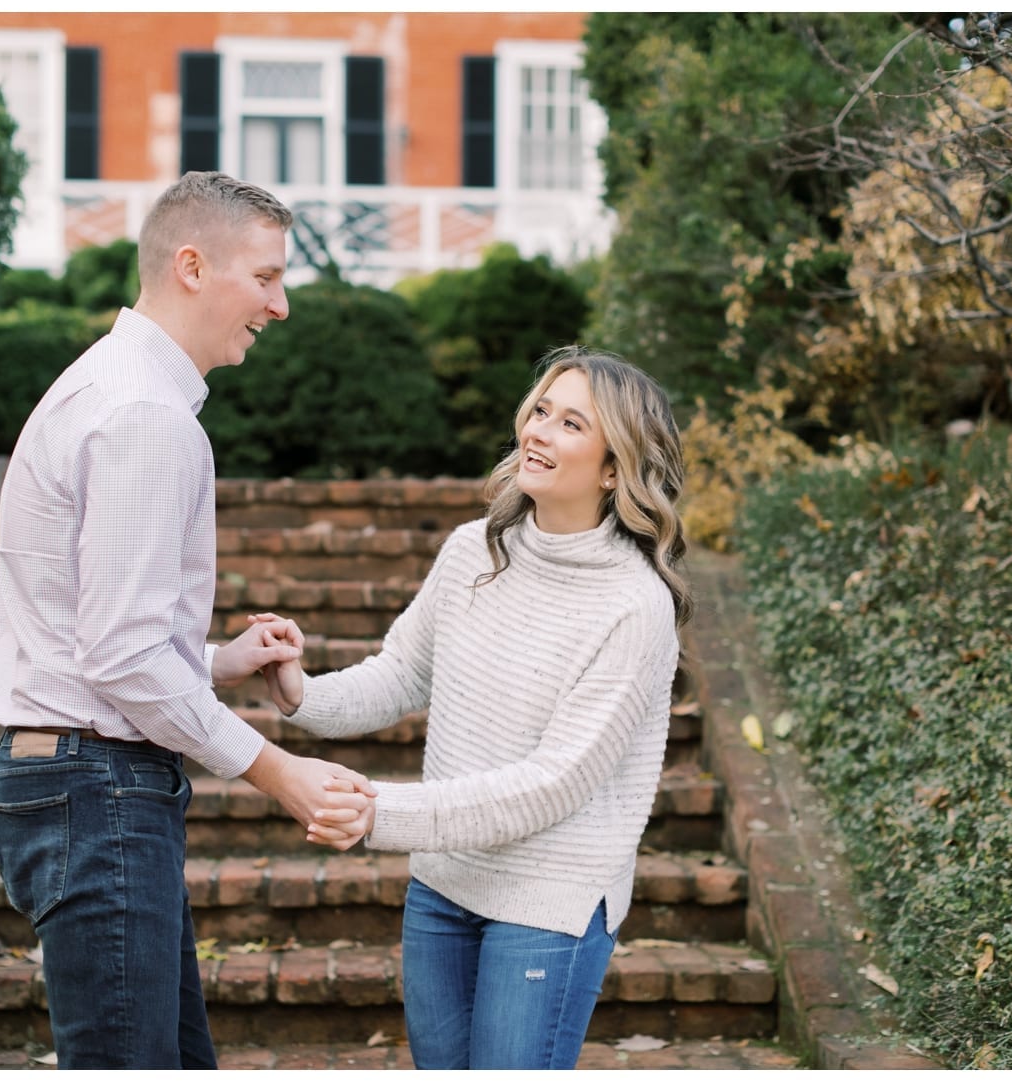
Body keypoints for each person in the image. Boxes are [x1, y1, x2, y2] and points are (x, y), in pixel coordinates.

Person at [0, 171, 374, 1070]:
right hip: (97, 788)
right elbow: (118, 660)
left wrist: (213, 660)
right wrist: (279, 772)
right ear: (192, 266)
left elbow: (99, 635)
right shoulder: (146, 416)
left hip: (82, 779)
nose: (280, 307)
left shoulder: (112, 386)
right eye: (267, 279)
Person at [258, 346, 694, 1069]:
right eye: (541, 410)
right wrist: (302, 692)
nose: (539, 431)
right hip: (444, 885)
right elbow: (401, 673)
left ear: (615, 468)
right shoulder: (474, 551)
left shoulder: (634, 606)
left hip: (549, 903)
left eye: (571, 423)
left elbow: (555, 781)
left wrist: (382, 813)